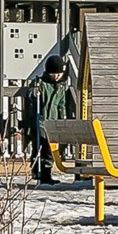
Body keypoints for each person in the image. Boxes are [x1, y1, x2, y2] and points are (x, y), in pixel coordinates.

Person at [20, 50, 74, 185]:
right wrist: (34, 94)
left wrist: (62, 121)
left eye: (59, 73)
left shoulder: (61, 88)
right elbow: (31, 102)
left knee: (51, 148)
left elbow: (61, 106)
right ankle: (41, 172)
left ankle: (45, 172)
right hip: (41, 121)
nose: (56, 76)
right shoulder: (41, 85)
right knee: (42, 146)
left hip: (53, 121)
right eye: (54, 73)